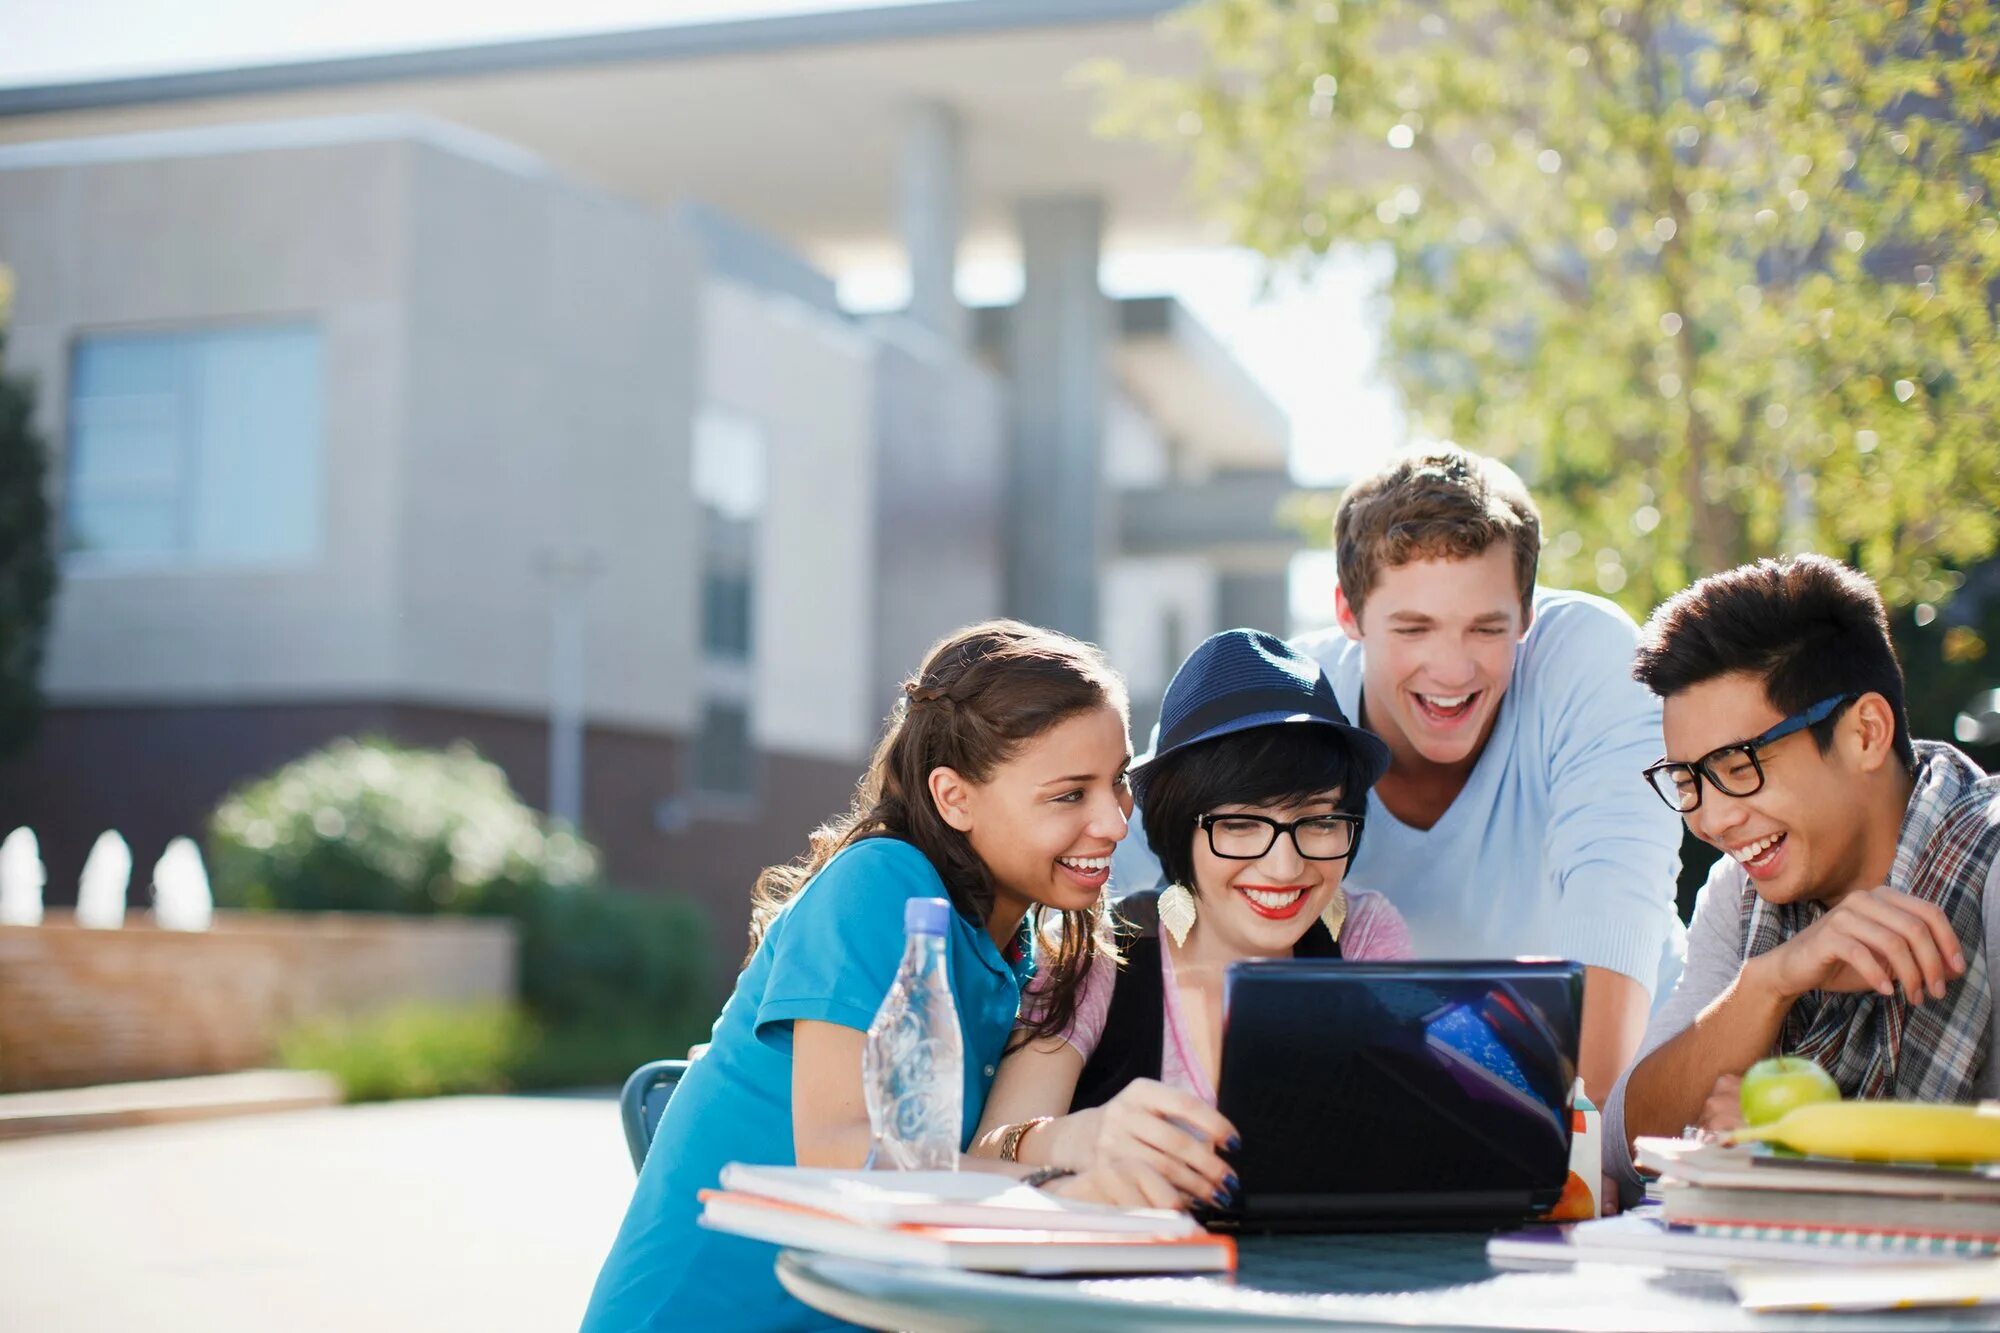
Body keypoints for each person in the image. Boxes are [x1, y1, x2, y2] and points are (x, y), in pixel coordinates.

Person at [581, 621, 1141, 1332]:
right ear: (954, 797)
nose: (1116, 821)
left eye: (1117, 781)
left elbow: (957, 1167)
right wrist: (1074, 1183)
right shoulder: (881, 882)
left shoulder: (1030, 950)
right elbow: (846, 1156)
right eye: (1069, 794)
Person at [1113, 447, 1683, 1108]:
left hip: (1624, 1081)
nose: (1452, 670)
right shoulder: (1283, 700)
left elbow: (1616, 899)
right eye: (1413, 628)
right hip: (1400, 1078)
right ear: (1348, 614)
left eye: (1486, 628)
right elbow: (1125, 850)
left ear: (1526, 613)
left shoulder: (1589, 658)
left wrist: (1587, 1138)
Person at [1605, 555, 2000, 1206]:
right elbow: (1628, 1139)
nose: (1709, 817)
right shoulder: (1740, 895)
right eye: (1686, 780)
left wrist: (1809, 1150)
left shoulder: (1987, 867)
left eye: (1737, 765)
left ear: (1865, 733)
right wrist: (1767, 983)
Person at [969, 629, 1412, 1209]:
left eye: (1320, 822)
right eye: (1240, 825)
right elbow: (986, 1156)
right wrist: (1076, 1140)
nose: (1285, 866)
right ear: (1180, 827)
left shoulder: (1364, 936)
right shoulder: (1101, 952)